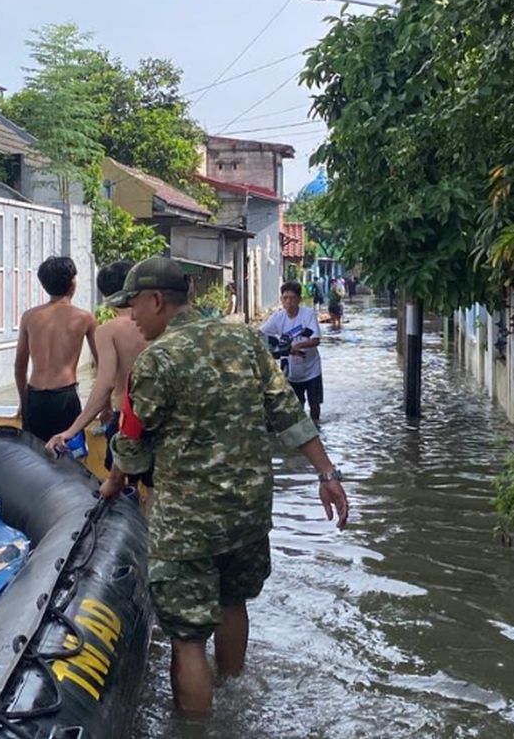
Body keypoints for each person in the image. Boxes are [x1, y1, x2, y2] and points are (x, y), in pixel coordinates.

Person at [99, 258, 348, 715]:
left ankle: (197, 729)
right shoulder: (243, 338)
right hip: (248, 514)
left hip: (187, 523)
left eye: (133, 305)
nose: (130, 317)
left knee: (187, 638)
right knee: (233, 603)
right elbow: (287, 411)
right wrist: (327, 475)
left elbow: (131, 443)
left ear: (156, 301)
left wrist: (112, 485)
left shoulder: (156, 360)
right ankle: (234, 700)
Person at [45, 260, 150, 489]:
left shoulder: (109, 331)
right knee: (152, 488)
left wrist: (72, 431)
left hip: (125, 421)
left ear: (105, 294)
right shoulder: (157, 325)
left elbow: (105, 385)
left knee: (123, 489)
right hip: (156, 420)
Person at [15, 256, 98, 443]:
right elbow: (102, 365)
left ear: (44, 285)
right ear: (72, 284)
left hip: (34, 397)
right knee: (69, 459)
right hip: (64, 397)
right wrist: (106, 404)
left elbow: (20, 367)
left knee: (34, 459)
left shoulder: (29, 317)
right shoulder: (84, 318)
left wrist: (23, 402)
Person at [261, 281, 324, 422]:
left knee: (315, 405)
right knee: (296, 406)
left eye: (292, 298)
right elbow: (260, 334)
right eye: (285, 298)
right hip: (292, 371)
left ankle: (317, 430)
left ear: (299, 300)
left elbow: (316, 340)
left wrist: (298, 346)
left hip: (311, 369)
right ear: (281, 300)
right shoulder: (278, 318)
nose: (288, 301)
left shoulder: (308, 315)